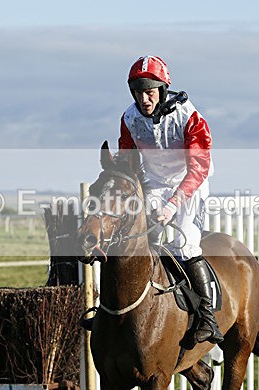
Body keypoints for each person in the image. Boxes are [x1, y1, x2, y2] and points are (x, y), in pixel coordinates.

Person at [83, 55, 224, 346]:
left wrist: (173, 204)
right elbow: (127, 161)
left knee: (185, 244)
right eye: (138, 92)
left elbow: (198, 167)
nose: (144, 99)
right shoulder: (129, 119)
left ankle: (207, 317)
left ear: (162, 89)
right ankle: (108, 309)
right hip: (154, 184)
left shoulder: (190, 117)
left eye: (149, 92)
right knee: (129, 236)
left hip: (191, 183)